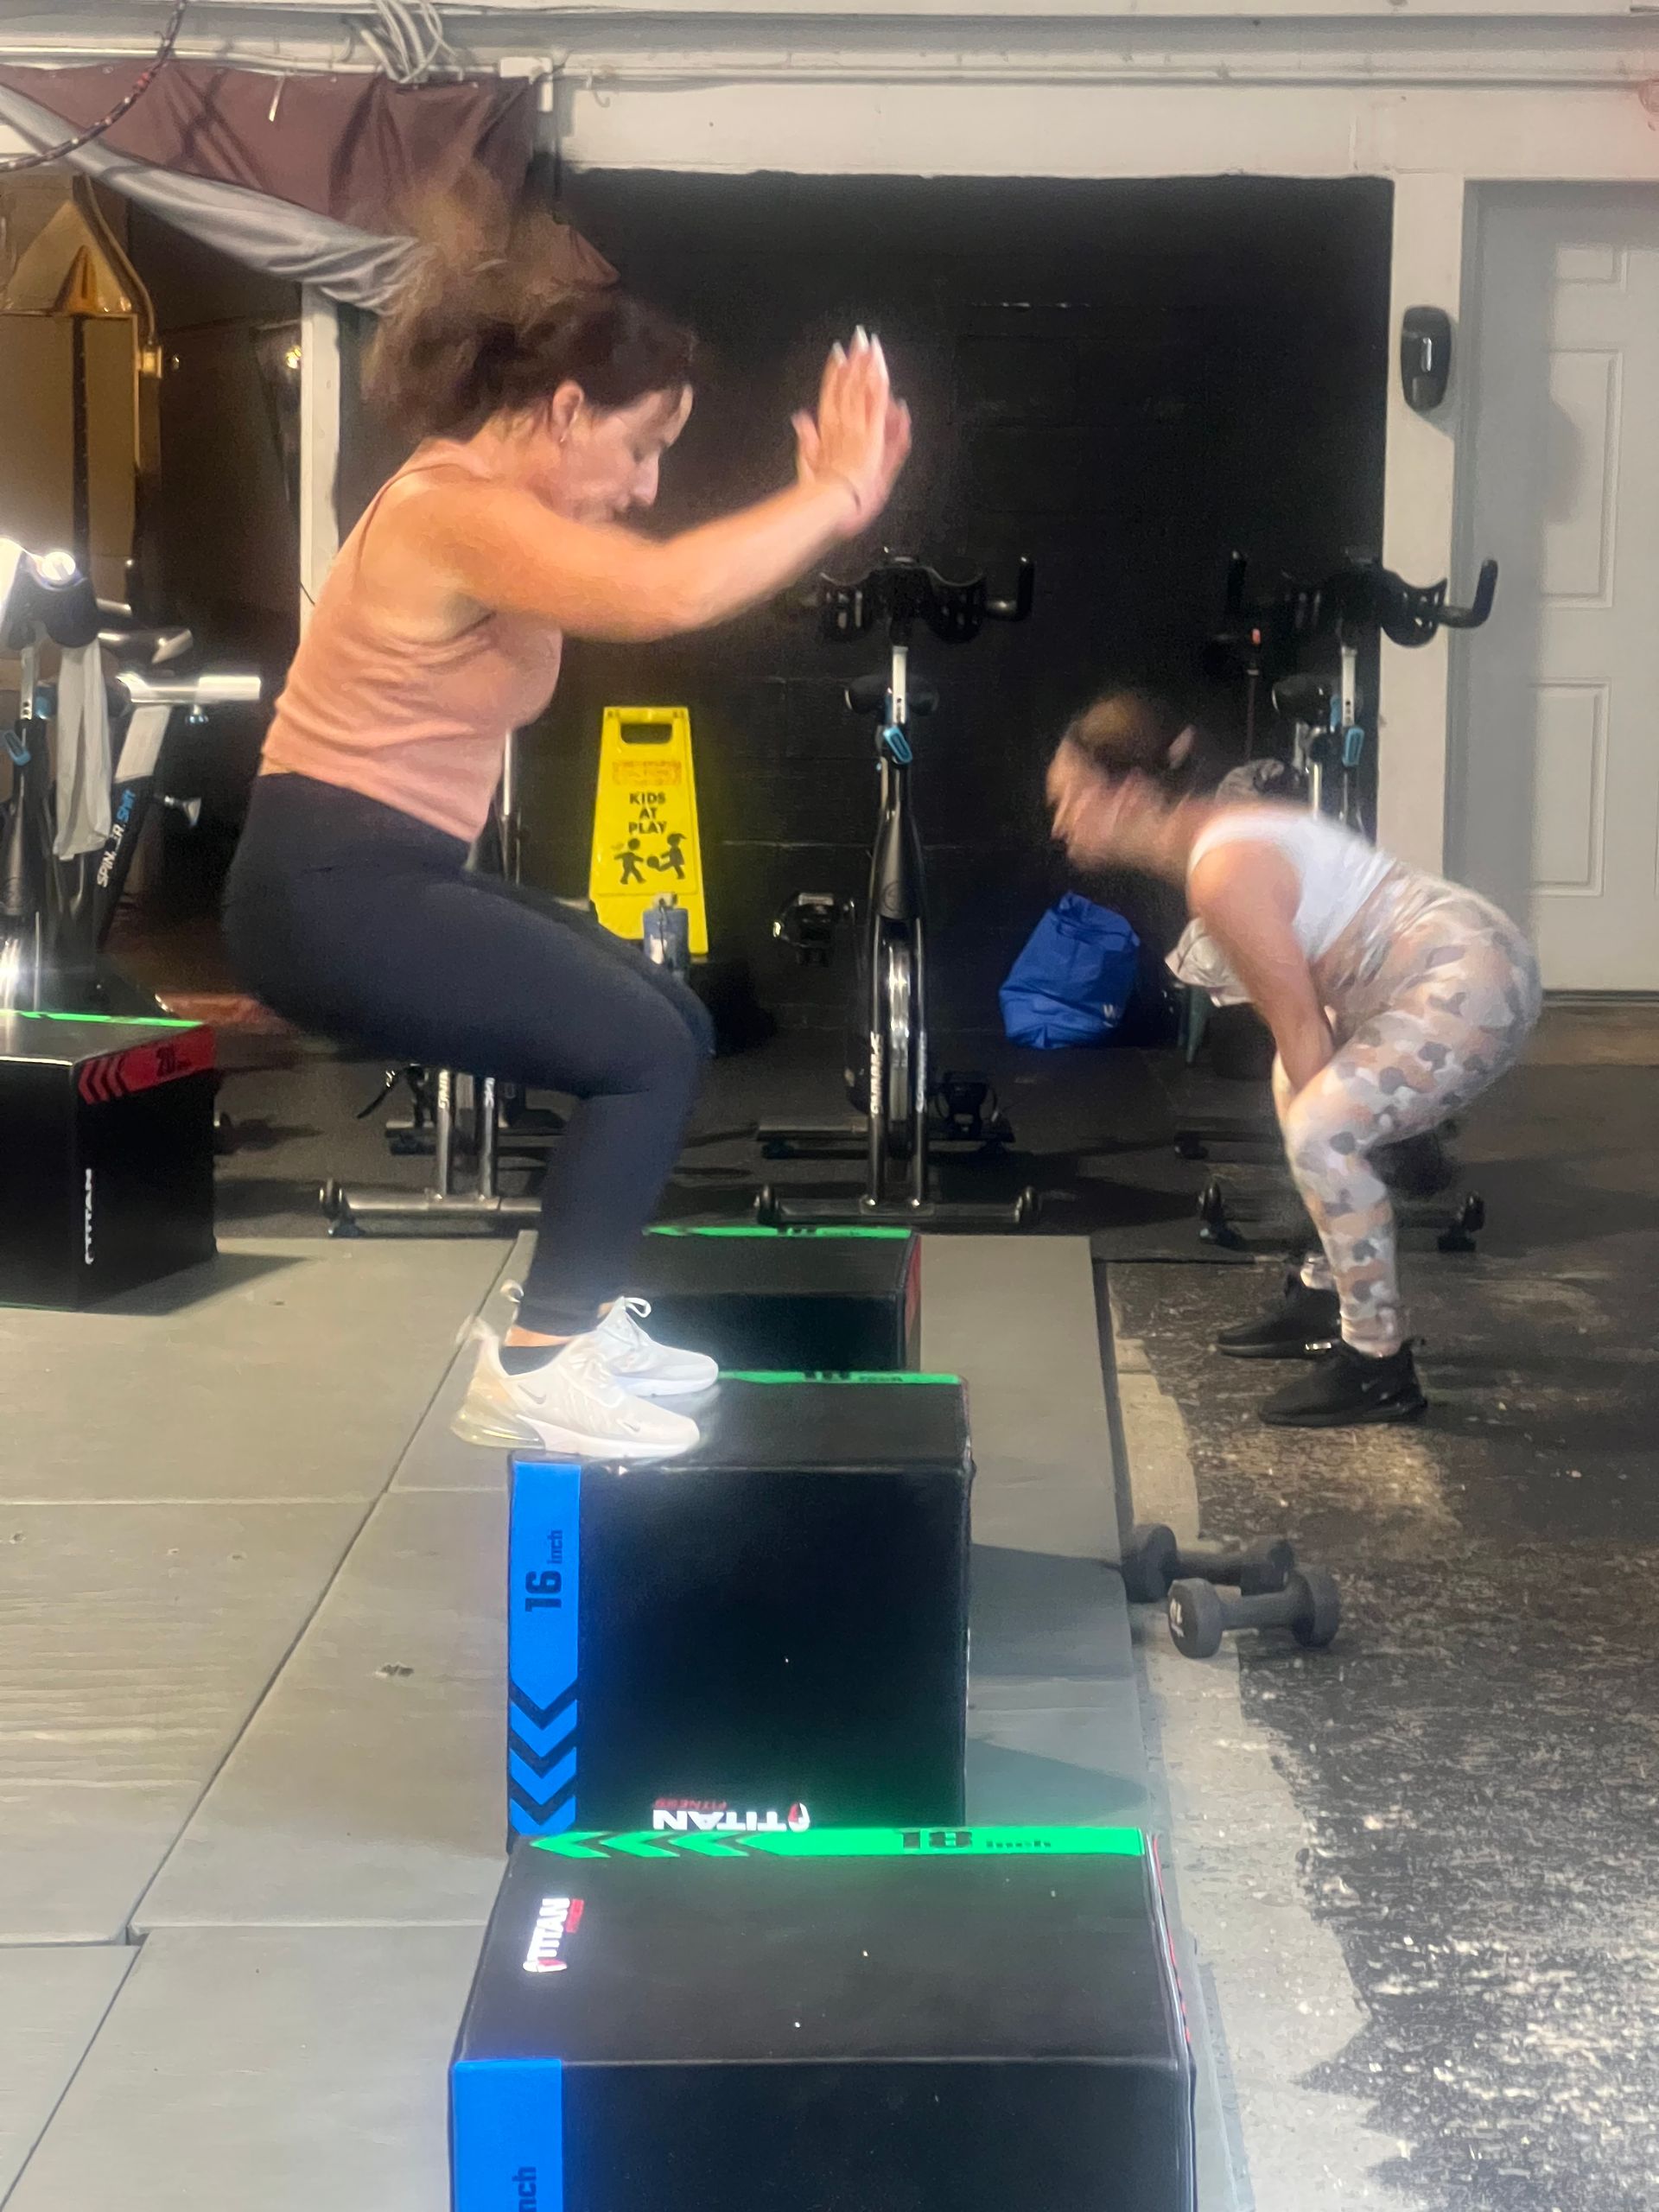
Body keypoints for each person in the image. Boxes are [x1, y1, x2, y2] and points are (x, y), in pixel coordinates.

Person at [224, 194, 911, 1459]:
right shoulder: (452, 509)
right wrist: (832, 498)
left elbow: (654, 581)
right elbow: (664, 592)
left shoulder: (501, 509)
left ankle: (577, 1321)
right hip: (326, 888)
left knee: (673, 1020)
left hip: (379, 871)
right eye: (640, 450)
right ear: (565, 410)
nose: (647, 487)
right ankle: (538, 1364)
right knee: (637, 1050)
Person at [1048, 695, 1541, 1427]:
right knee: (1299, 1092)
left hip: (1469, 979)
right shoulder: (1224, 838)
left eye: (1071, 799)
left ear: (1128, 792)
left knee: (1321, 1128)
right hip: (1426, 973)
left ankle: (1376, 1362)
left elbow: (1304, 1029)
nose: (1060, 824)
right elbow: (1305, 1020)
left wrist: (1362, 1141)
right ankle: (1325, 1294)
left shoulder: (1223, 870)